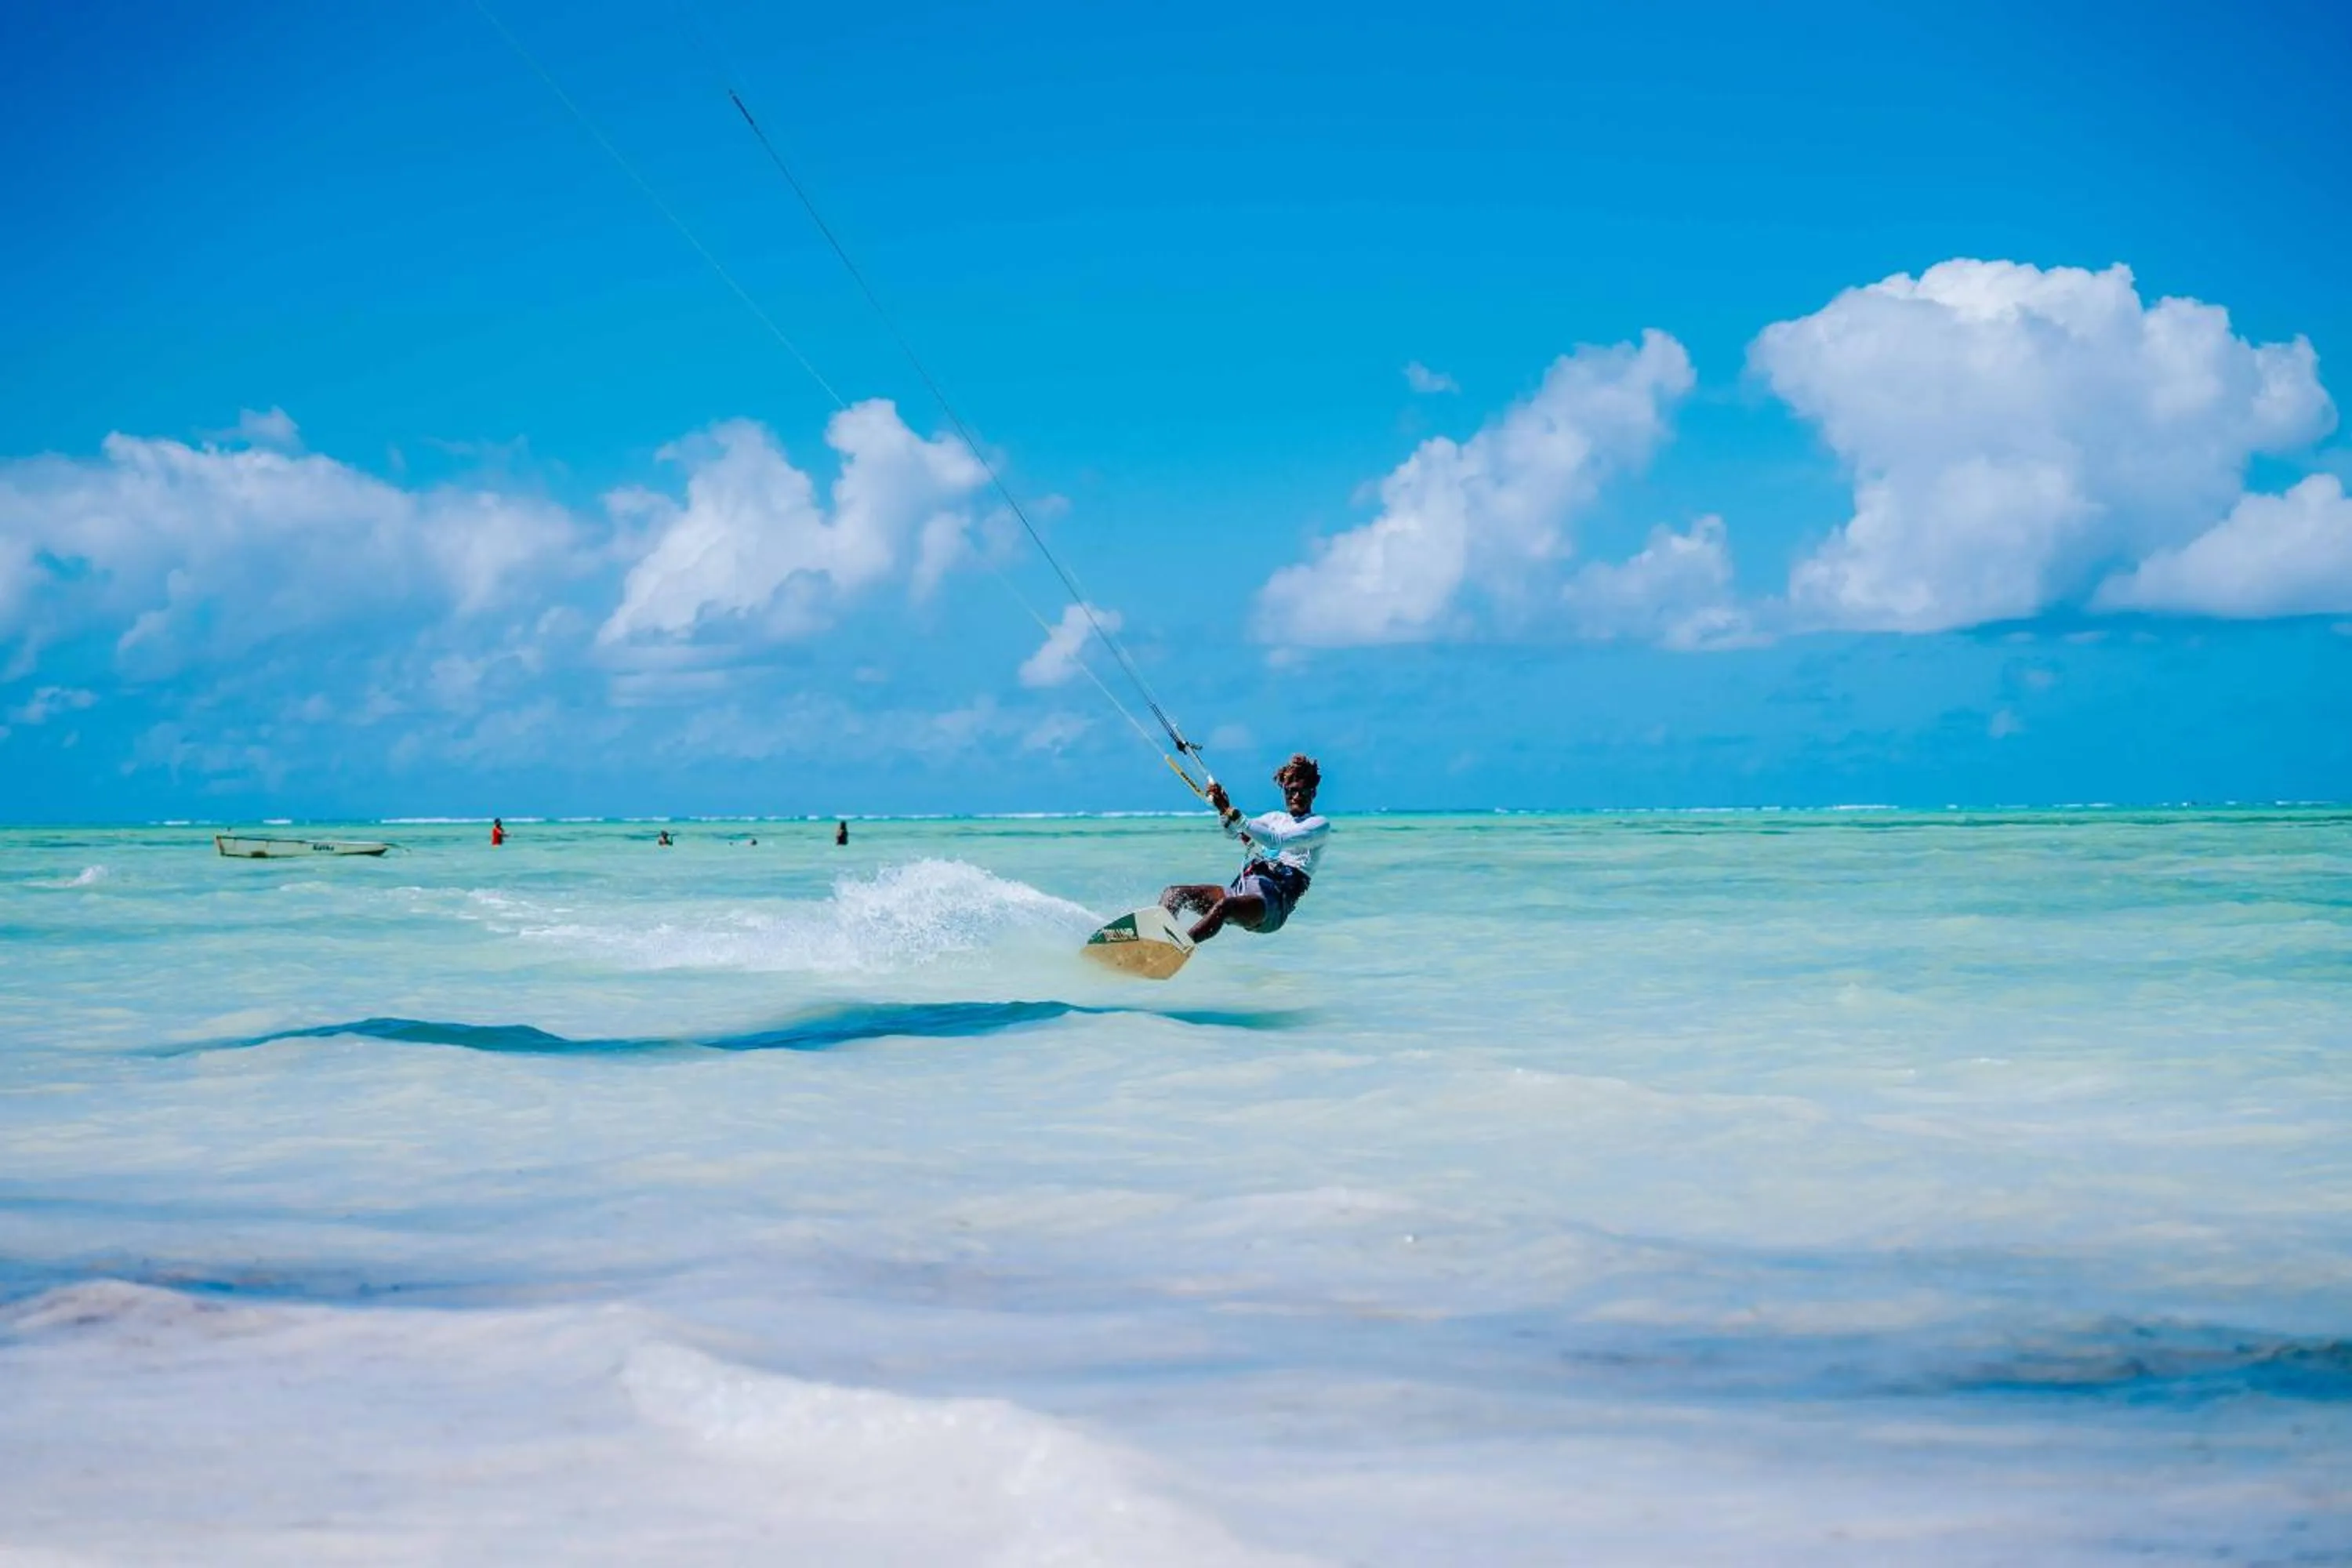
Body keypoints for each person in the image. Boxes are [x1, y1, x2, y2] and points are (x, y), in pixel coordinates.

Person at [1160, 753, 1329, 943]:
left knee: (1225, 907)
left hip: (1272, 904)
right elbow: (1232, 832)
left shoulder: (1318, 825)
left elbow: (1276, 841)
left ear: (1313, 793)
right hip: (1243, 889)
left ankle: (1178, 948)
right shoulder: (1274, 819)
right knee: (1174, 894)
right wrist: (1224, 811)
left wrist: (1236, 815)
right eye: (1290, 791)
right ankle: (1156, 938)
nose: (1295, 796)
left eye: (1302, 791)